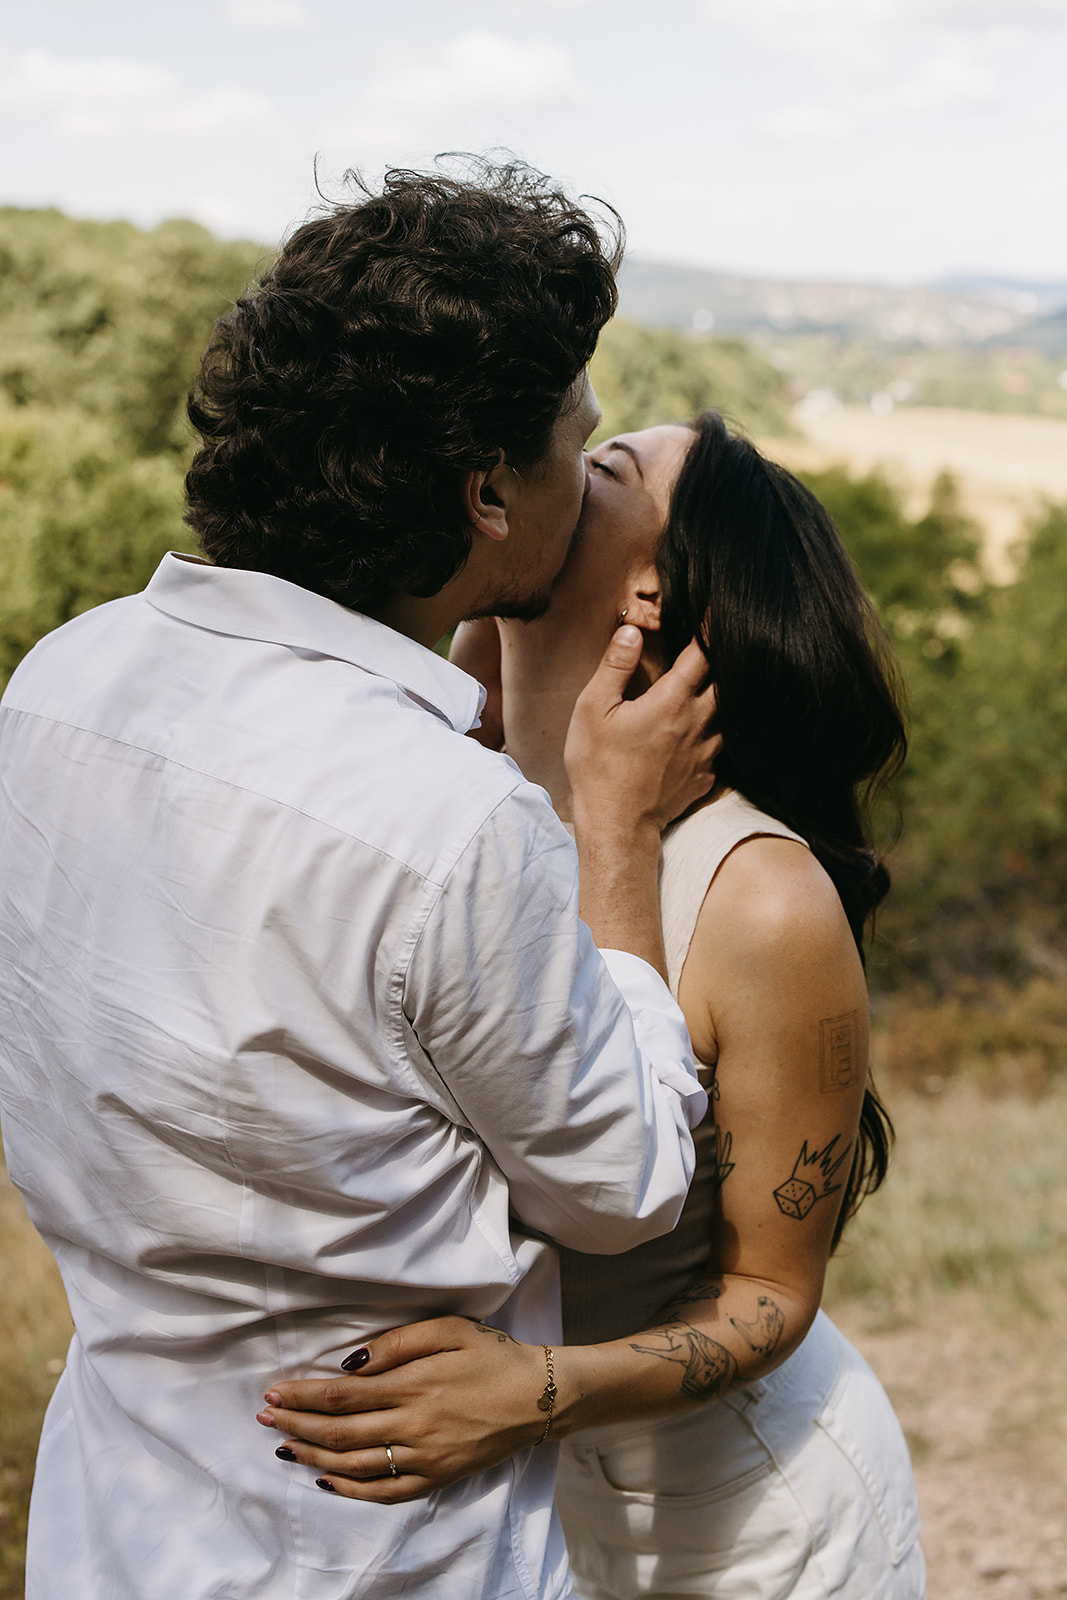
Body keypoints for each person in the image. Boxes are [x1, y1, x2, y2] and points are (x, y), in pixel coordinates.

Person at [0, 162, 722, 1600]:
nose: (588, 480)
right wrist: (616, 845)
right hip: (382, 1546)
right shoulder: (450, 823)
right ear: (484, 496)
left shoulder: (57, 679)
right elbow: (622, 1185)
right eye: (573, 449)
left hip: (112, 1515)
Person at [257, 413, 927, 1598]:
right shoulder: (444, 812)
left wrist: (531, 1389)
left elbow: (772, 1295)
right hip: (522, 1508)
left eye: (603, 467)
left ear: (654, 590)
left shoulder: (757, 897)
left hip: (733, 1515)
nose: (553, 466)